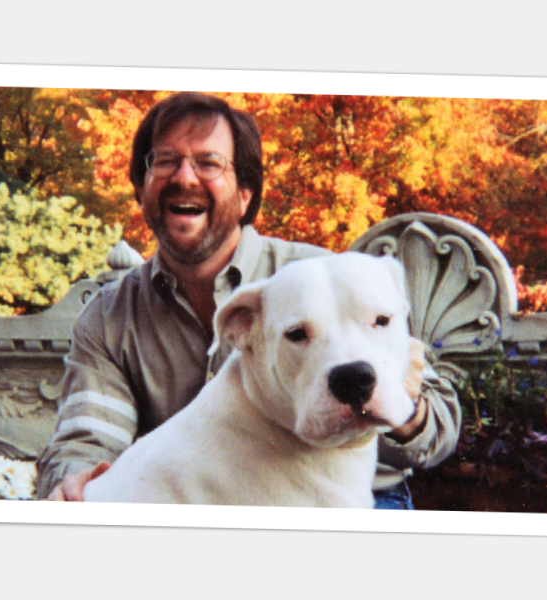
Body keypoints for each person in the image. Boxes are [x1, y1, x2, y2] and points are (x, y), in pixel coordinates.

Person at [36, 92, 461, 508]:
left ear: (244, 193)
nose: (184, 178)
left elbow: (439, 431)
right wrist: (79, 482)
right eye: (165, 162)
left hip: (366, 494)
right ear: (141, 189)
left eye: (208, 163)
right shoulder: (109, 317)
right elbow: (86, 442)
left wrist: (397, 397)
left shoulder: (335, 280)